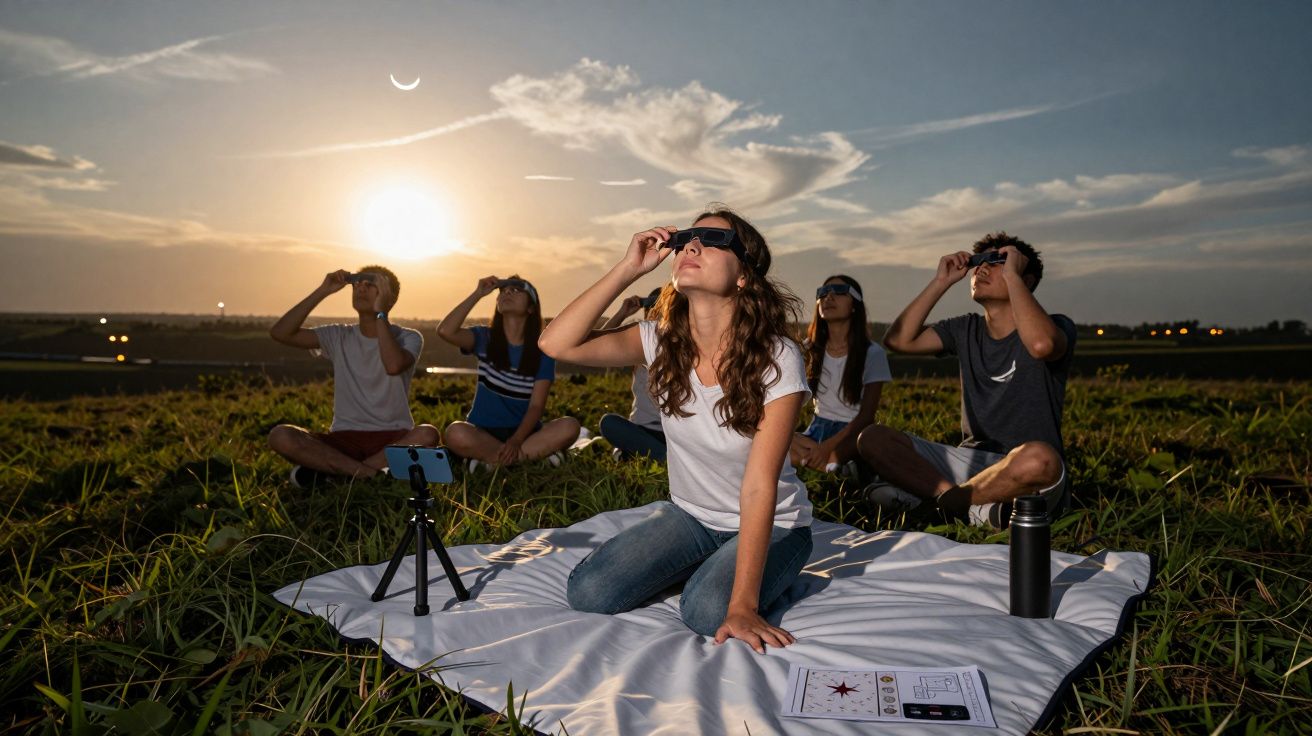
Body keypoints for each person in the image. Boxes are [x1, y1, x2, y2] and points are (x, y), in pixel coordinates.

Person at [539, 207, 813, 654]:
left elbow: (761, 487)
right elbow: (556, 344)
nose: (691, 245)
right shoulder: (658, 339)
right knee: (590, 593)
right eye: (688, 237)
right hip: (690, 516)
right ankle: (706, 560)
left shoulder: (778, 356)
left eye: (712, 239)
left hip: (775, 523)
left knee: (708, 612)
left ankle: (730, 572)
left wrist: (743, 605)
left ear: (744, 275)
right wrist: (629, 267)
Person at [858, 232, 1077, 528]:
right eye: (979, 262)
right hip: (970, 464)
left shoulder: (1056, 325)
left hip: (1021, 470)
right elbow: (899, 340)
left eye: (997, 261)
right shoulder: (965, 329)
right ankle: (967, 507)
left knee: (1041, 459)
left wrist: (1013, 276)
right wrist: (941, 282)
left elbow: (1041, 346)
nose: (981, 269)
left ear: (1025, 280)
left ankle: (938, 503)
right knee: (873, 438)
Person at [267, 267, 438, 487]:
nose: (361, 288)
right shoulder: (339, 335)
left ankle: (337, 474)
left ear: (389, 297)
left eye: (371, 284)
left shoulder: (408, 337)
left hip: (393, 438)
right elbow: (281, 333)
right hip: (343, 439)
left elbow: (393, 365)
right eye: (357, 283)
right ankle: (370, 475)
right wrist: (323, 290)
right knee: (281, 436)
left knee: (427, 435)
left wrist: (381, 313)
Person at [437, 275, 580, 469]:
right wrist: (478, 294)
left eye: (516, 290)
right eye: (503, 291)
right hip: (484, 432)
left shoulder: (542, 351)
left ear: (531, 308)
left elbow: (536, 406)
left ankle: (490, 461)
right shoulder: (484, 338)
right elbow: (446, 331)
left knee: (570, 426)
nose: (506, 293)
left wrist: (516, 441)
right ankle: (527, 459)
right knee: (455, 432)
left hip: (525, 433)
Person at [790, 275, 891, 475]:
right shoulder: (807, 349)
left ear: (855, 304)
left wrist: (827, 447)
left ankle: (832, 464)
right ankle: (833, 467)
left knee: (869, 440)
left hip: (853, 433)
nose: (828, 298)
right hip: (816, 430)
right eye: (823, 293)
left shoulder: (872, 353)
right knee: (776, 440)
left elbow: (866, 417)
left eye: (839, 291)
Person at [597, 287, 667, 461]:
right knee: (609, 423)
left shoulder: (685, 348)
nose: (656, 314)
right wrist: (622, 313)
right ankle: (664, 458)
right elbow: (598, 344)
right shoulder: (639, 346)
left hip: (672, 435)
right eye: (651, 308)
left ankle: (640, 454)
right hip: (640, 429)